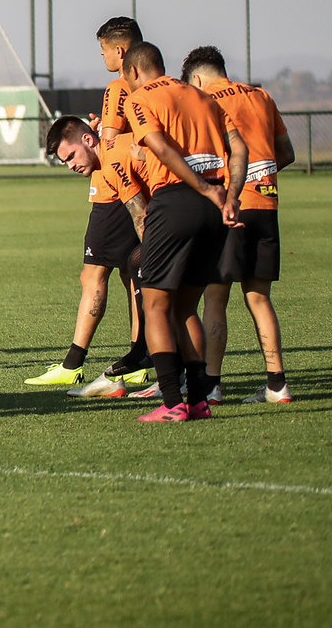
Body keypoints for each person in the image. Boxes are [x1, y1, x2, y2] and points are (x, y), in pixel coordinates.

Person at [119, 41, 245, 422]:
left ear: (136, 71)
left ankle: (173, 402)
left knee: (155, 303)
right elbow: (239, 147)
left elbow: (158, 145)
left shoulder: (140, 99)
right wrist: (229, 196)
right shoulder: (203, 96)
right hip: (214, 208)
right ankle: (200, 400)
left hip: (177, 202)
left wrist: (203, 188)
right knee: (187, 307)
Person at [30, 17, 154, 393]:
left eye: (103, 50)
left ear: (119, 51)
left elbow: (111, 143)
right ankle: (140, 357)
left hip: (114, 188)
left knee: (95, 275)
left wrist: (103, 134)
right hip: (136, 183)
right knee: (134, 274)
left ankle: (74, 363)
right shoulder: (151, 90)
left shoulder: (119, 86)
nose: (102, 57)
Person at [182, 46, 293, 404]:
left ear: (196, 78)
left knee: (216, 296)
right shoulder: (261, 95)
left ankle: (211, 385)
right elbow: (286, 153)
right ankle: (277, 385)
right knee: (259, 298)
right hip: (266, 202)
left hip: (228, 206)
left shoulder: (202, 100)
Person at [43, 115, 151, 400]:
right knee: (137, 269)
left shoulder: (114, 155)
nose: (70, 166)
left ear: (89, 140)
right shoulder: (112, 155)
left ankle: (177, 379)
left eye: (70, 157)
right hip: (175, 200)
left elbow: (142, 214)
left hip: (178, 204)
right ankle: (146, 359)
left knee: (164, 289)